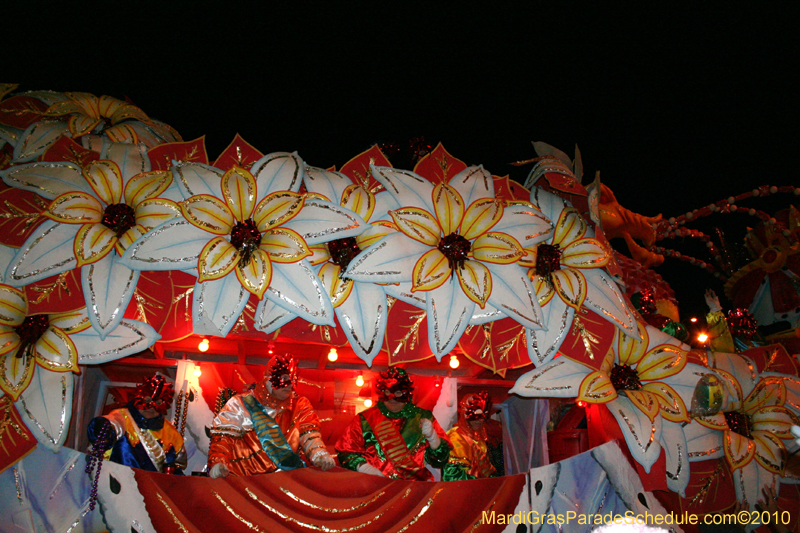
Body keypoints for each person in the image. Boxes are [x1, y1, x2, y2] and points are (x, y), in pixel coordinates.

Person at [207, 353, 335, 478]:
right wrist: (218, 461)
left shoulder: (300, 405)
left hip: (287, 479)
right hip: (247, 481)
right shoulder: (240, 404)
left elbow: (309, 435)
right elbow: (223, 438)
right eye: (284, 379)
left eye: (293, 379)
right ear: (268, 380)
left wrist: (320, 454)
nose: (290, 384)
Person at [335, 367, 450, 480]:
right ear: (382, 392)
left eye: (398, 393)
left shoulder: (423, 417)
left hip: (414, 490)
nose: (392, 400)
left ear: (406, 393)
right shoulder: (365, 419)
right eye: (388, 392)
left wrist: (433, 438)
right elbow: (346, 453)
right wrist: (365, 468)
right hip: (374, 488)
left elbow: (440, 460)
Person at [87, 374, 186, 474]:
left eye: (158, 402)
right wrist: (103, 427)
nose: (151, 407)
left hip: (151, 487)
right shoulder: (123, 416)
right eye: (148, 400)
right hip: (119, 482)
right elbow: (110, 426)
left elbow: (178, 465)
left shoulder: (170, 432)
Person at [443, 391, 501, 481]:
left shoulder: (479, 438)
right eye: (476, 416)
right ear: (465, 414)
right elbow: (452, 475)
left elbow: (486, 471)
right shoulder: (456, 437)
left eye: (483, 415)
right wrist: (479, 483)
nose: (480, 420)